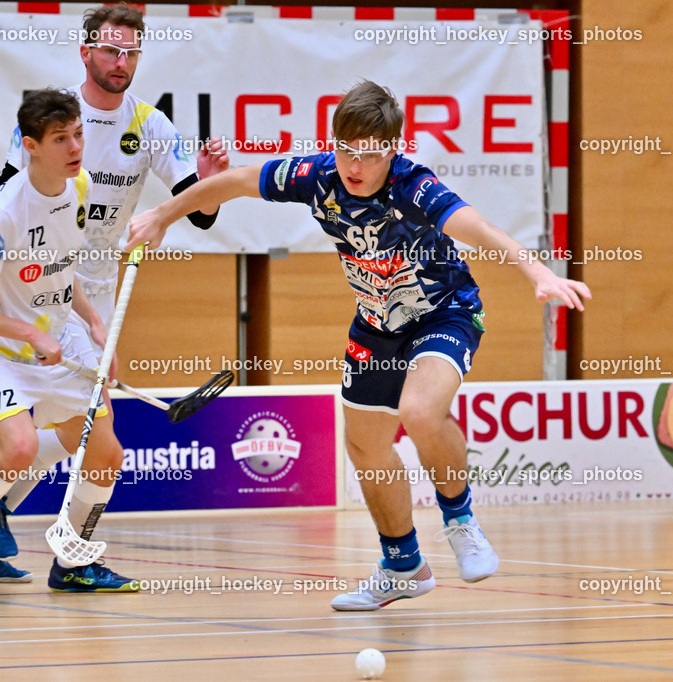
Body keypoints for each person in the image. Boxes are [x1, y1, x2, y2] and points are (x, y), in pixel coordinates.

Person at [125, 80, 591, 611]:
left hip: (443, 313)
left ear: (392, 148)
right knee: (365, 445)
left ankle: (459, 517)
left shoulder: (415, 188)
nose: (355, 164)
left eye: (370, 154)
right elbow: (233, 181)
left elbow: (481, 229)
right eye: (347, 148)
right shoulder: (317, 175)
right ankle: (402, 566)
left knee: (418, 412)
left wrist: (537, 273)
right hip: (375, 324)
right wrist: (162, 215)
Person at [0, 3, 229, 578]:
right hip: (28, 298)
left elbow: (200, 215)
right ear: (86, 52)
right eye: (111, 50)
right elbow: (4, 200)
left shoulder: (148, 125)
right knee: (41, 438)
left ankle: (52, 543)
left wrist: (207, 183)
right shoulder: (52, 120)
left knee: (94, 439)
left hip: (84, 294)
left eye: (132, 51)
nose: (121, 61)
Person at [0, 88, 137, 601]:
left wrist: (95, 325)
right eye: (60, 138)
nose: (75, 147)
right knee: (20, 447)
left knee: (105, 451)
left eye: (78, 134)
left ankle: (73, 560)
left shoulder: (82, 187)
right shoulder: (1, 217)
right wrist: (28, 333)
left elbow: (60, 272)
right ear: (30, 146)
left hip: (58, 332)